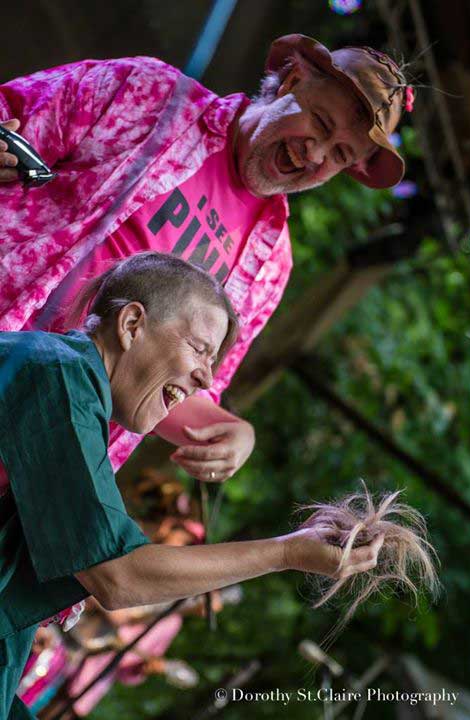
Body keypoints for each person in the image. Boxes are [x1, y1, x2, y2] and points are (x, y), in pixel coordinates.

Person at [0, 34, 412, 482]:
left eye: (339, 155)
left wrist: (231, 431)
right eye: (319, 121)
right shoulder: (152, 93)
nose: (314, 153)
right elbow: (12, 115)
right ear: (292, 80)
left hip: (36, 456)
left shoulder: (271, 265)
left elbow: (181, 387)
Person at [0, 252, 389, 720]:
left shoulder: (66, 381)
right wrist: (287, 553)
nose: (207, 376)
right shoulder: (55, 377)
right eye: (200, 349)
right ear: (131, 324)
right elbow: (119, 577)